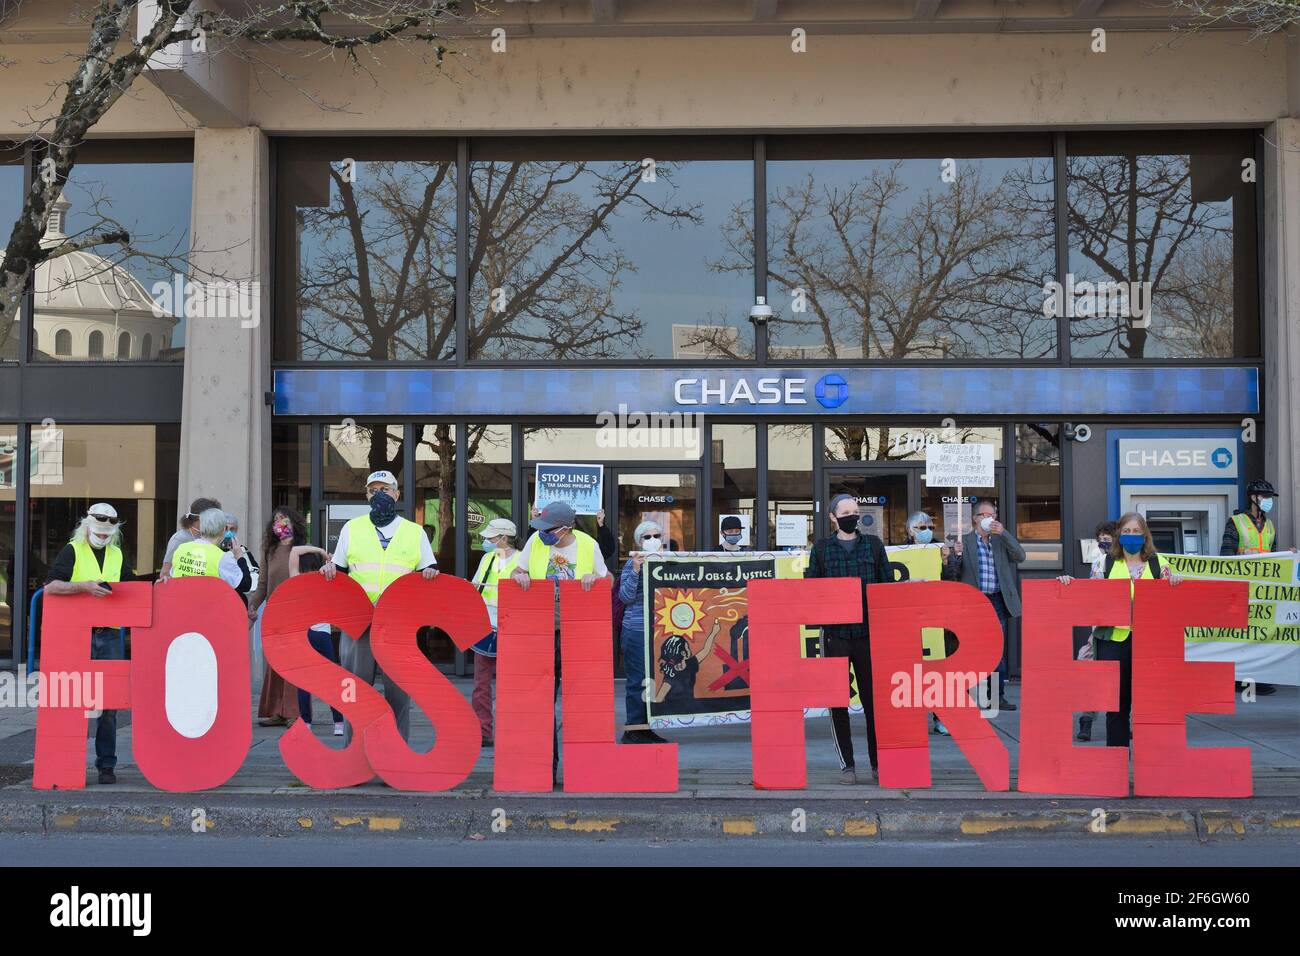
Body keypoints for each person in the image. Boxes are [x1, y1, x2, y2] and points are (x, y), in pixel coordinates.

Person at [321, 470, 438, 747]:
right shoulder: (352, 528)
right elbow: (338, 569)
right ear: (366, 495)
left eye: (385, 489)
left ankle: (395, 756)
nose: (379, 495)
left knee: (398, 694)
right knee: (355, 691)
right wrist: (329, 569)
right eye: (373, 490)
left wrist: (431, 574)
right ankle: (355, 754)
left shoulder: (414, 532)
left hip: (398, 624)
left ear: (397, 495)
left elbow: (428, 569)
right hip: (358, 622)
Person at [1058, 512, 1182, 748]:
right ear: (1119, 535)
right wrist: (1068, 584)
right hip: (1113, 642)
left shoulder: (1159, 563)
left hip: (1149, 643)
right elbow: (1090, 597)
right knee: (1116, 707)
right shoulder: (1103, 564)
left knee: (1151, 707)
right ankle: (1117, 767)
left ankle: (1154, 767)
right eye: (1127, 531)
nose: (1131, 536)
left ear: (1145, 535)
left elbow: (1171, 602)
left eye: (1136, 531)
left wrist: (1175, 582)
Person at [510, 501, 610, 787]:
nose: (542, 533)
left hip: (578, 634)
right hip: (542, 633)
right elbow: (517, 570)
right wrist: (520, 576)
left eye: (548, 529)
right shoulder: (535, 541)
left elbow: (607, 581)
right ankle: (546, 770)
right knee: (541, 704)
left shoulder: (589, 545)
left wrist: (595, 578)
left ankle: (586, 770)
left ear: (566, 528)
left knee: (583, 704)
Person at [43, 504, 137, 785]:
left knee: (108, 705)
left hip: (108, 635)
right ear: (86, 526)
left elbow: (131, 588)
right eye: (99, 533)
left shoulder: (117, 554)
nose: (103, 538)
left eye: (108, 534)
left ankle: (106, 766)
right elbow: (51, 586)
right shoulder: (73, 550)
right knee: (71, 700)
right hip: (76, 635)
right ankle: (64, 762)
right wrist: (84, 586)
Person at [805, 492, 896, 784]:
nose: (851, 515)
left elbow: (886, 586)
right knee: (838, 703)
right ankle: (847, 765)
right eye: (845, 511)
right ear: (833, 517)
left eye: (855, 511)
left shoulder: (874, 545)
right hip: (836, 636)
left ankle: (879, 764)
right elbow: (812, 591)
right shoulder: (821, 550)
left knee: (874, 703)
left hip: (869, 635)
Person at [942, 499, 1025, 712]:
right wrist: (955, 555)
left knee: (995, 649)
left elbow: (1020, 556)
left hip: (997, 600)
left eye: (993, 515)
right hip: (973, 602)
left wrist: (1004, 533)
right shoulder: (965, 541)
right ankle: (967, 695)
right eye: (985, 515)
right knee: (969, 648)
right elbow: (952, 574)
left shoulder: (1000, 540)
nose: (989, 519)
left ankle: (997, 696)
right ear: (975, 519)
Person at [1220, 478, 1296, 696]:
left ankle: (1258, 677)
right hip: (1241, 588)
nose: (1269, 501)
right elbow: (1226, 555)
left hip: (1262, 590)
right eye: (1266, 497)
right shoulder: (1236, 521)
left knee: (1259, 634)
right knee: (1240, 634)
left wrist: (1287, 555)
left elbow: (1274, 556)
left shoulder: (1270, 525)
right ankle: (1240, 679)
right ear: (1254, 498)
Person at [248, 507, 309, 728]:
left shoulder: (303, 550)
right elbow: (262, 584)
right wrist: (252, 605)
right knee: (275, 664)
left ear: (294, 523)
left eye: (283, 518)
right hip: (274, 614)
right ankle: (277, 711)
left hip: (297, 614)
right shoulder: (269, 550)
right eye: (275, 519)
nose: (279, 522)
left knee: (294, 663)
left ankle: (294, 711)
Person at [469, 518, 520, 748]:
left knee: (512, 684)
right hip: (485, 627)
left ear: (504, 538)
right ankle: (483, 731)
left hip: (513, 628)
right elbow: (476, 587)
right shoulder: (487, 559)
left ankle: (511, 730)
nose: (487, 541)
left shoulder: (523, 560)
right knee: (481, 683)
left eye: (490, 538)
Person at [618, 520, 669, 744]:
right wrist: (637, 569)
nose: (652, 540)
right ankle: (634, 729)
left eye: (656, 535)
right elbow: (626, 597)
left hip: (659, 629)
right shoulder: (632, 564)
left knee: (652, 681)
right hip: (637, 629)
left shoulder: (668, 562)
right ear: (639, 541)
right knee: (637, 680)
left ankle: (646, 727)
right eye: (646, 537)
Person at [904, 510, 954, 736]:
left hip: (935, 617)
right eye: (921, 528)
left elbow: (952, 579)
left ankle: (940, 716)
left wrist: (946, 560)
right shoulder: (899, 551)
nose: (926, 532)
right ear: (910, 530)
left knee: (937, 669)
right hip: (910, 618)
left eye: (929, 527)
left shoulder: (939, 549)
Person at [289, 545, 344, 736]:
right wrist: (327, 558)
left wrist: (318, 549)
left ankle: (306, 722)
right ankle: (338, 723)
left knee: (303, 682)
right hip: (323, 634)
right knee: (330, 681)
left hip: (304, 635)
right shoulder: (326, 580)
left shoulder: (297, 580)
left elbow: (294, 550)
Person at [1076, 520, 1117, 741]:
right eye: (1100, 537)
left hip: (1122, 628)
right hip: (1101, 628)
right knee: (1089, 671)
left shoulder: (1130, 563)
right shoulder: (1098, 561)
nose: (1103, 540)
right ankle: (1086, 719)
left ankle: (1123, 721)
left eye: (1107, 536)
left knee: (1123, 678)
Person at [651, 621, 722, 712]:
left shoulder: (690, 663)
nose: (689, 649)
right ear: (683, 653)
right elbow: (658, 700)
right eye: (687, 647)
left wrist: (714, 632)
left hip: (689, 710)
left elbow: (705, 650)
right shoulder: (671, 676)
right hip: (674, 714)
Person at [169, 507, 247, 589]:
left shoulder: (181, 549)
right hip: (207, 601)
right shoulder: (222, 557)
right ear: (223, 530)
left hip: (181, 600)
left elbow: (173, 575)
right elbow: (245, 585)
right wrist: (240, 557)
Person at [158, 496, 221, 582]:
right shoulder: (179, 539)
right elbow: (165, 573)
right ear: (199, 518)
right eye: (211, 519)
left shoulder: (206, 537)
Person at [222, 512, 260, 606]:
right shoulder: (215, 550)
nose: (228, 532)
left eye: (232, 529)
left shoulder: (242, 549)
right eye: (225, 528)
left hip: (240, 599)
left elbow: (255, 569)